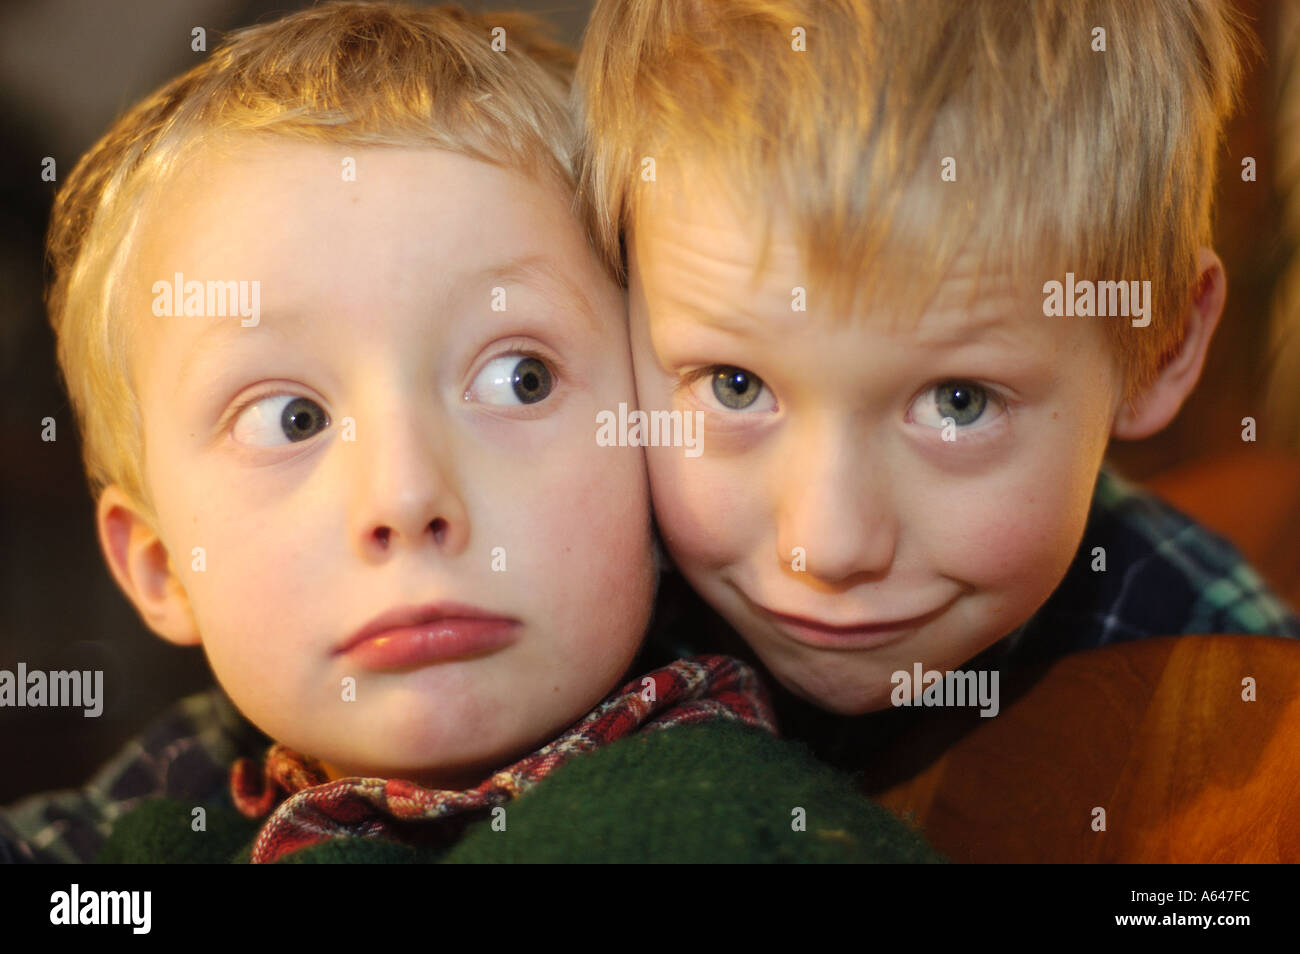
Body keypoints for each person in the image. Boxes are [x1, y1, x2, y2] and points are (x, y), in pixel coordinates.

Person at [2, 1, 941, 864]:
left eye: (519, 379)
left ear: (659, 437)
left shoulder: (727, 821)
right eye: (292, 418)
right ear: (162, 565)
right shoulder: (156, 814)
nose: (408, 497)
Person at [571, 0, 1300, 749]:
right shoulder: (556, 620)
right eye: (735, 385)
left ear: (1162, 347)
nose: (829, 548)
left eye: (959, 403)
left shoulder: (1238, 711)